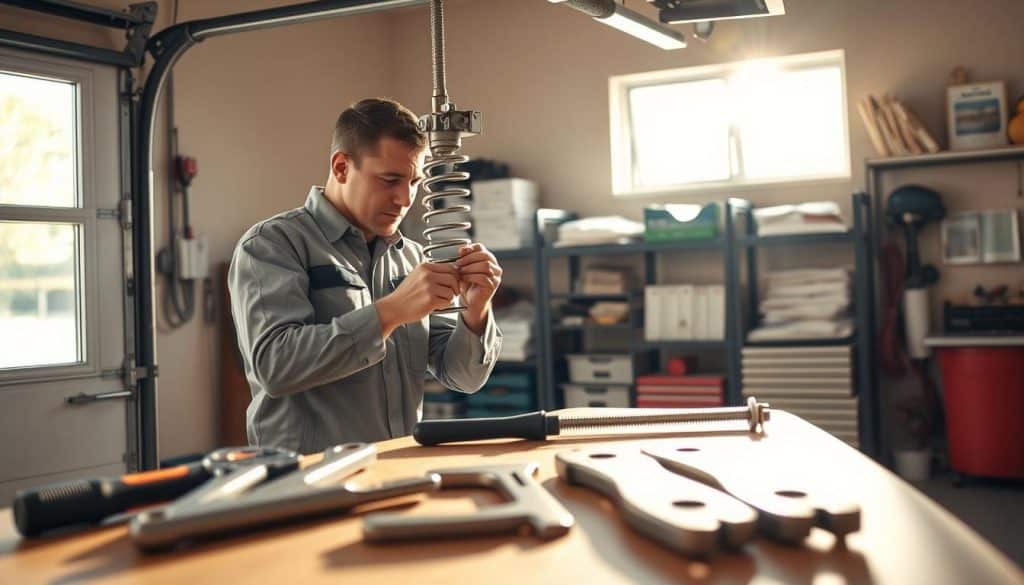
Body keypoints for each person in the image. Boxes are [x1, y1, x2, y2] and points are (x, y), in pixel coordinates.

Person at [228, 97, 503, 453]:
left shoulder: (413, 257)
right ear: (341, 167)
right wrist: (390, 312)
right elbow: (275, 366)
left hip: (393, 470)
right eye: (390, 180)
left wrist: (476, 312)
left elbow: (464, 378)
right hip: (306, 482)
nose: (405, 199)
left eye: (414, 181)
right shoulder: (272, 245)